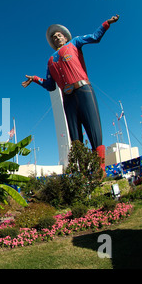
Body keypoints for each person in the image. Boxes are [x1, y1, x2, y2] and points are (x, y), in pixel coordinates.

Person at [21, 15, 120, 170]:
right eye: (53, 37)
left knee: (93, 129)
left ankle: (100, 171)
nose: (56, 38)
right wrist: (34, 79)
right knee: (75, 138)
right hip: (67, 98)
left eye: (59, 35)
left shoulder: (75, 43)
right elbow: (50, 85)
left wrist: (107, 23)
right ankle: (83, 174)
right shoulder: (50, 61)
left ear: (65, 37)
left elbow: (95, 37)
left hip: (83, 90)